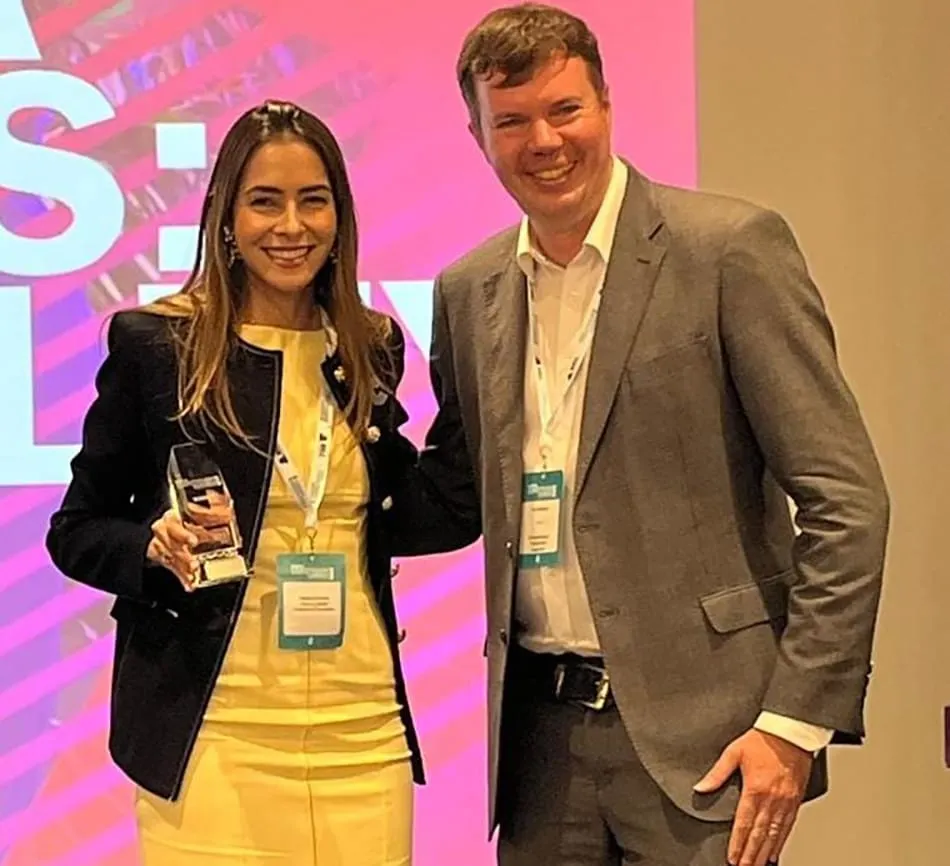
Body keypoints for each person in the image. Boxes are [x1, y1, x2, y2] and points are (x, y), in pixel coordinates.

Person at [389, 4, 890, 866]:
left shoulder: (728, 249)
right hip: (540, 751)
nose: (544, 141)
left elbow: (847, 502)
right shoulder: (468, 290)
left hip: (708, 741)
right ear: (478, 136)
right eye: (512, 121)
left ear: (607, 105)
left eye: (565, 110)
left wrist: (795, 720)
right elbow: (455, 495)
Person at [46, 100, 424, 866]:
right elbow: (76, 529)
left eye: (313, 200)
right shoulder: (161, 345)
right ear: (226, 217)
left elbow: (403, 508)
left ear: (339, 217)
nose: (291, 226)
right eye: (265, 201)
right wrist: (151, 549)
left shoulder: (372, 345)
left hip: (362, 730)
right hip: (216, 736)